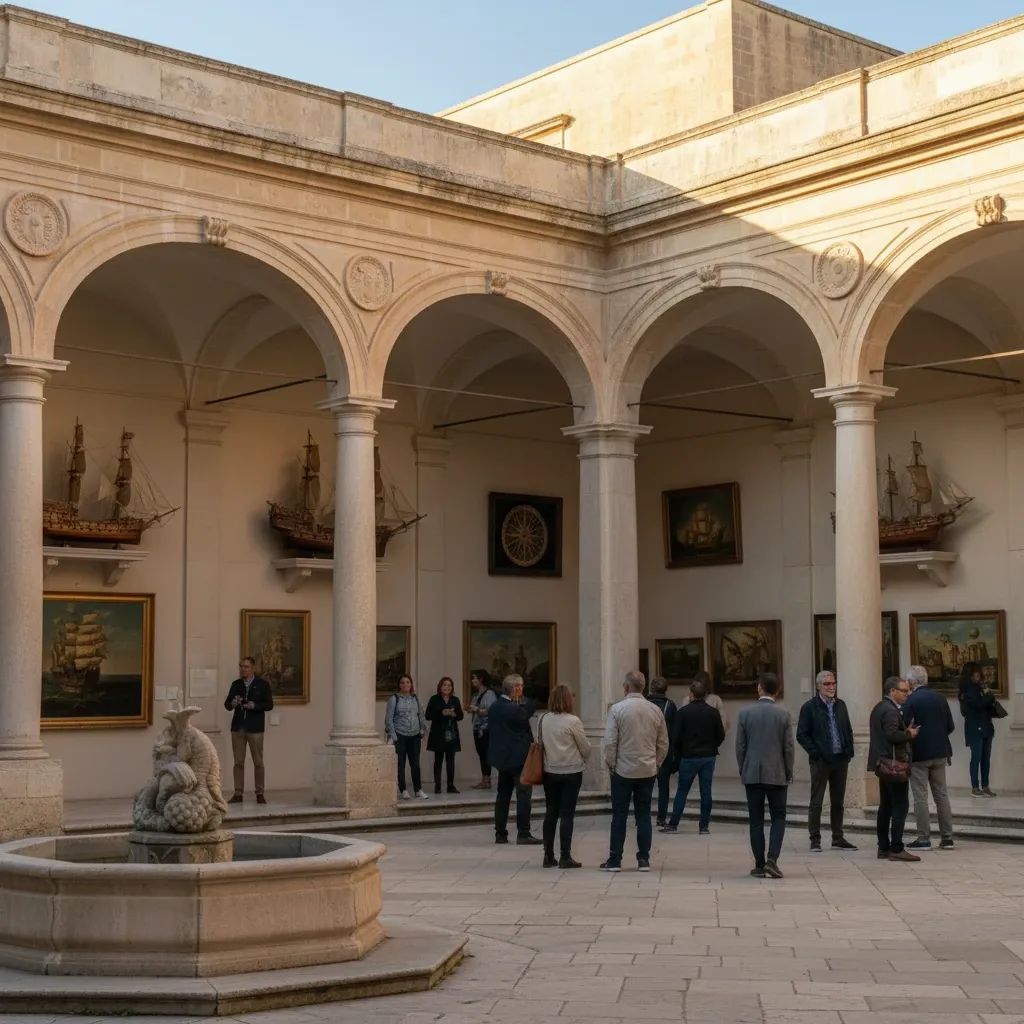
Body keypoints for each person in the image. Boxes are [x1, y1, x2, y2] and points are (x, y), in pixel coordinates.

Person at [600, 670, 668, 872]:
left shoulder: (618, 709)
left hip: (622, 769)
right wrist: (656, 763)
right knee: (644, 815)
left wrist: (611, 764)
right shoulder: (655, 710)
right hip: (647, 770)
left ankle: (615, 860)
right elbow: (663, 742)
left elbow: (610, 741)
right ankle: (643, 859)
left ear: (626, 687)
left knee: (619, 815)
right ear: (644, 687)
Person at [736, 673, 793, 879]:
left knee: (756, 820)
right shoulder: (783, 714)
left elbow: (740, 746)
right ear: (776, 690)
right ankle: (772, 859)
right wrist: (788, 770)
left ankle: (759, 864)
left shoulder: (745, 713)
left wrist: (743, 768)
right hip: (776, 772)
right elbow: (788, 747)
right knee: (778, 817)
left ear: (759, 688)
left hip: (752, 773)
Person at [796, 670, 856, 853]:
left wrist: (849, 750)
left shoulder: (841, 705)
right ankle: (815, 839)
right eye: (827, 684)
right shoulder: (809, 707)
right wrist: (816, 752)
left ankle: (838, 837)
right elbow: (802, 735)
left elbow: (848, 729)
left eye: (833, 683)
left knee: (838, 801)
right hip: (821, 761)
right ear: (818, 687)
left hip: (840, 759)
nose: (831, 687)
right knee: (817, 801)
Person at [659, 676, 724, 835]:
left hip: (688, 756)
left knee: (682, 791)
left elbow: (675, 737)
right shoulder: (713, 712)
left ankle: (674, 824)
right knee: (706, 791)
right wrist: (712, 746)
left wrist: (679, 751)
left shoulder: (683, 712)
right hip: (708, 756)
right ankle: (704, 826)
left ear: (691, 695)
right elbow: (720, 735)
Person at [535, 683, 591, 868]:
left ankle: (548, 855)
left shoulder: (543, 719)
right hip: (572, 771)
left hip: (550, 771)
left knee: (551, 812)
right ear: (568, 700)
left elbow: (539, 743)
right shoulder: (573, 721)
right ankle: (565, 856)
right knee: (567, 814)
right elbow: (585, 747)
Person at [868, 676, 921, 862]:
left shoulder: (879, 707)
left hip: (884, 764)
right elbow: (891, 735)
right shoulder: (890, 711)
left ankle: (883, 847)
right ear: (892, 691)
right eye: (904, 691)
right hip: (894, 766)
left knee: (886, 806)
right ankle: (896, 848)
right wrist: (909, 733)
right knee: (899, 806)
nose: (907, 694)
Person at [905, 664, 955, 850]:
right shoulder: (940, 698)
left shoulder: (911, 701)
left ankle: (924, 838)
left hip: (920, 754)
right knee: (941, 795)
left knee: (920, 796)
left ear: (911, 682)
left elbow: (905, 728)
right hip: (941, 752)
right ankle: (947, 837)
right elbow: (950, 726)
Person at [488, 673, 540, 845]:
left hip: (503, 760)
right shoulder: (512, 708)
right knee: (523, 795)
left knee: (503, 796)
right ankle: (523, 833)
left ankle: (500, 834)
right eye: (520, 686)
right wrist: (531, 703)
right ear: (515, 688)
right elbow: (524, 714)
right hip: (518, 760)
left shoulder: (495, 706)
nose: (522, 689)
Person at [223, 656, 274, 804]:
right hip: (238, 728)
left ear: (253, 668)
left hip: (255, 728)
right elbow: (227, 705)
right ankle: (238, 793)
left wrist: (254, 706)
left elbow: (269, 705)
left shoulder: (262, 684)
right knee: (238, 762)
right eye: (241, 666)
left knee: (258, 762)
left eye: (246, 667)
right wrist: (233, 703)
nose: (243, 669)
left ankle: (260, 793)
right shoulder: (236, 684)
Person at [384, 674, 428, 801]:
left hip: (414, 735)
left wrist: (422, 729)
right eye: (402, 682)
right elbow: (389, 718)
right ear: (399, 685)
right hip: (400, 735)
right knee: (401, 764)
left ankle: (418, 789)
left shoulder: (415, 698)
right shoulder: (394, 699)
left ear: (411, 684)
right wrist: (393, 735)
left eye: (408, 682)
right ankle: (403, 789)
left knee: (415, 764)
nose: (405, 685)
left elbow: (420, 715)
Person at [959, 663, 997, 797]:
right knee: (976, 757)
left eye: (979, 673)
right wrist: (989, 696)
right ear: (969, 675)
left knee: (986, 758)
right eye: (976, 673)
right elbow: (979, 705)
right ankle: (975, 787)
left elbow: (988, 705)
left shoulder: (980, 687)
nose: (979, 675)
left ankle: (985, 786)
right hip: (975, 727)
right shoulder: (968, 690)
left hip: (986, 726)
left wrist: (987, 695)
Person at [646, 676, 677, 827]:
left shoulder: (643, 703)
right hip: (664, 750)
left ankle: (643, 816)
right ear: (666, 689)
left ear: (651, 688)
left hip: (645, 748)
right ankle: (661, 817)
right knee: (663, 786)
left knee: (644, 785)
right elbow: (674, 731)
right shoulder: (670, 706)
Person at [424, 677, 463, 794]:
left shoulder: (455, 700)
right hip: (438, 734)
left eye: (449, 685)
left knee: (451, 760)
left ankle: (451, 785)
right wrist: (441, 712)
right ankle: (438, 786)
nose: (447, 687)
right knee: (438, 760)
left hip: (451, 734)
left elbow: (460, 716)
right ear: (440, 687)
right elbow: (427, 715)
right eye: (445, 685)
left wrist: (454, 714)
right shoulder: (434, 699)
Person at [466, 669, 497, 789]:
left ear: (481, 679)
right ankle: (485, 779)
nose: (472, 680)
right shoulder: (477, 694)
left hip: (485, 729)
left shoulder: (489, 694)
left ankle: (487, 780)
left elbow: (491, 711)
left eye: (474, 678)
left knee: (485, 755)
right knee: (482, 755)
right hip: (478, 729)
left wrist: (477, 710)